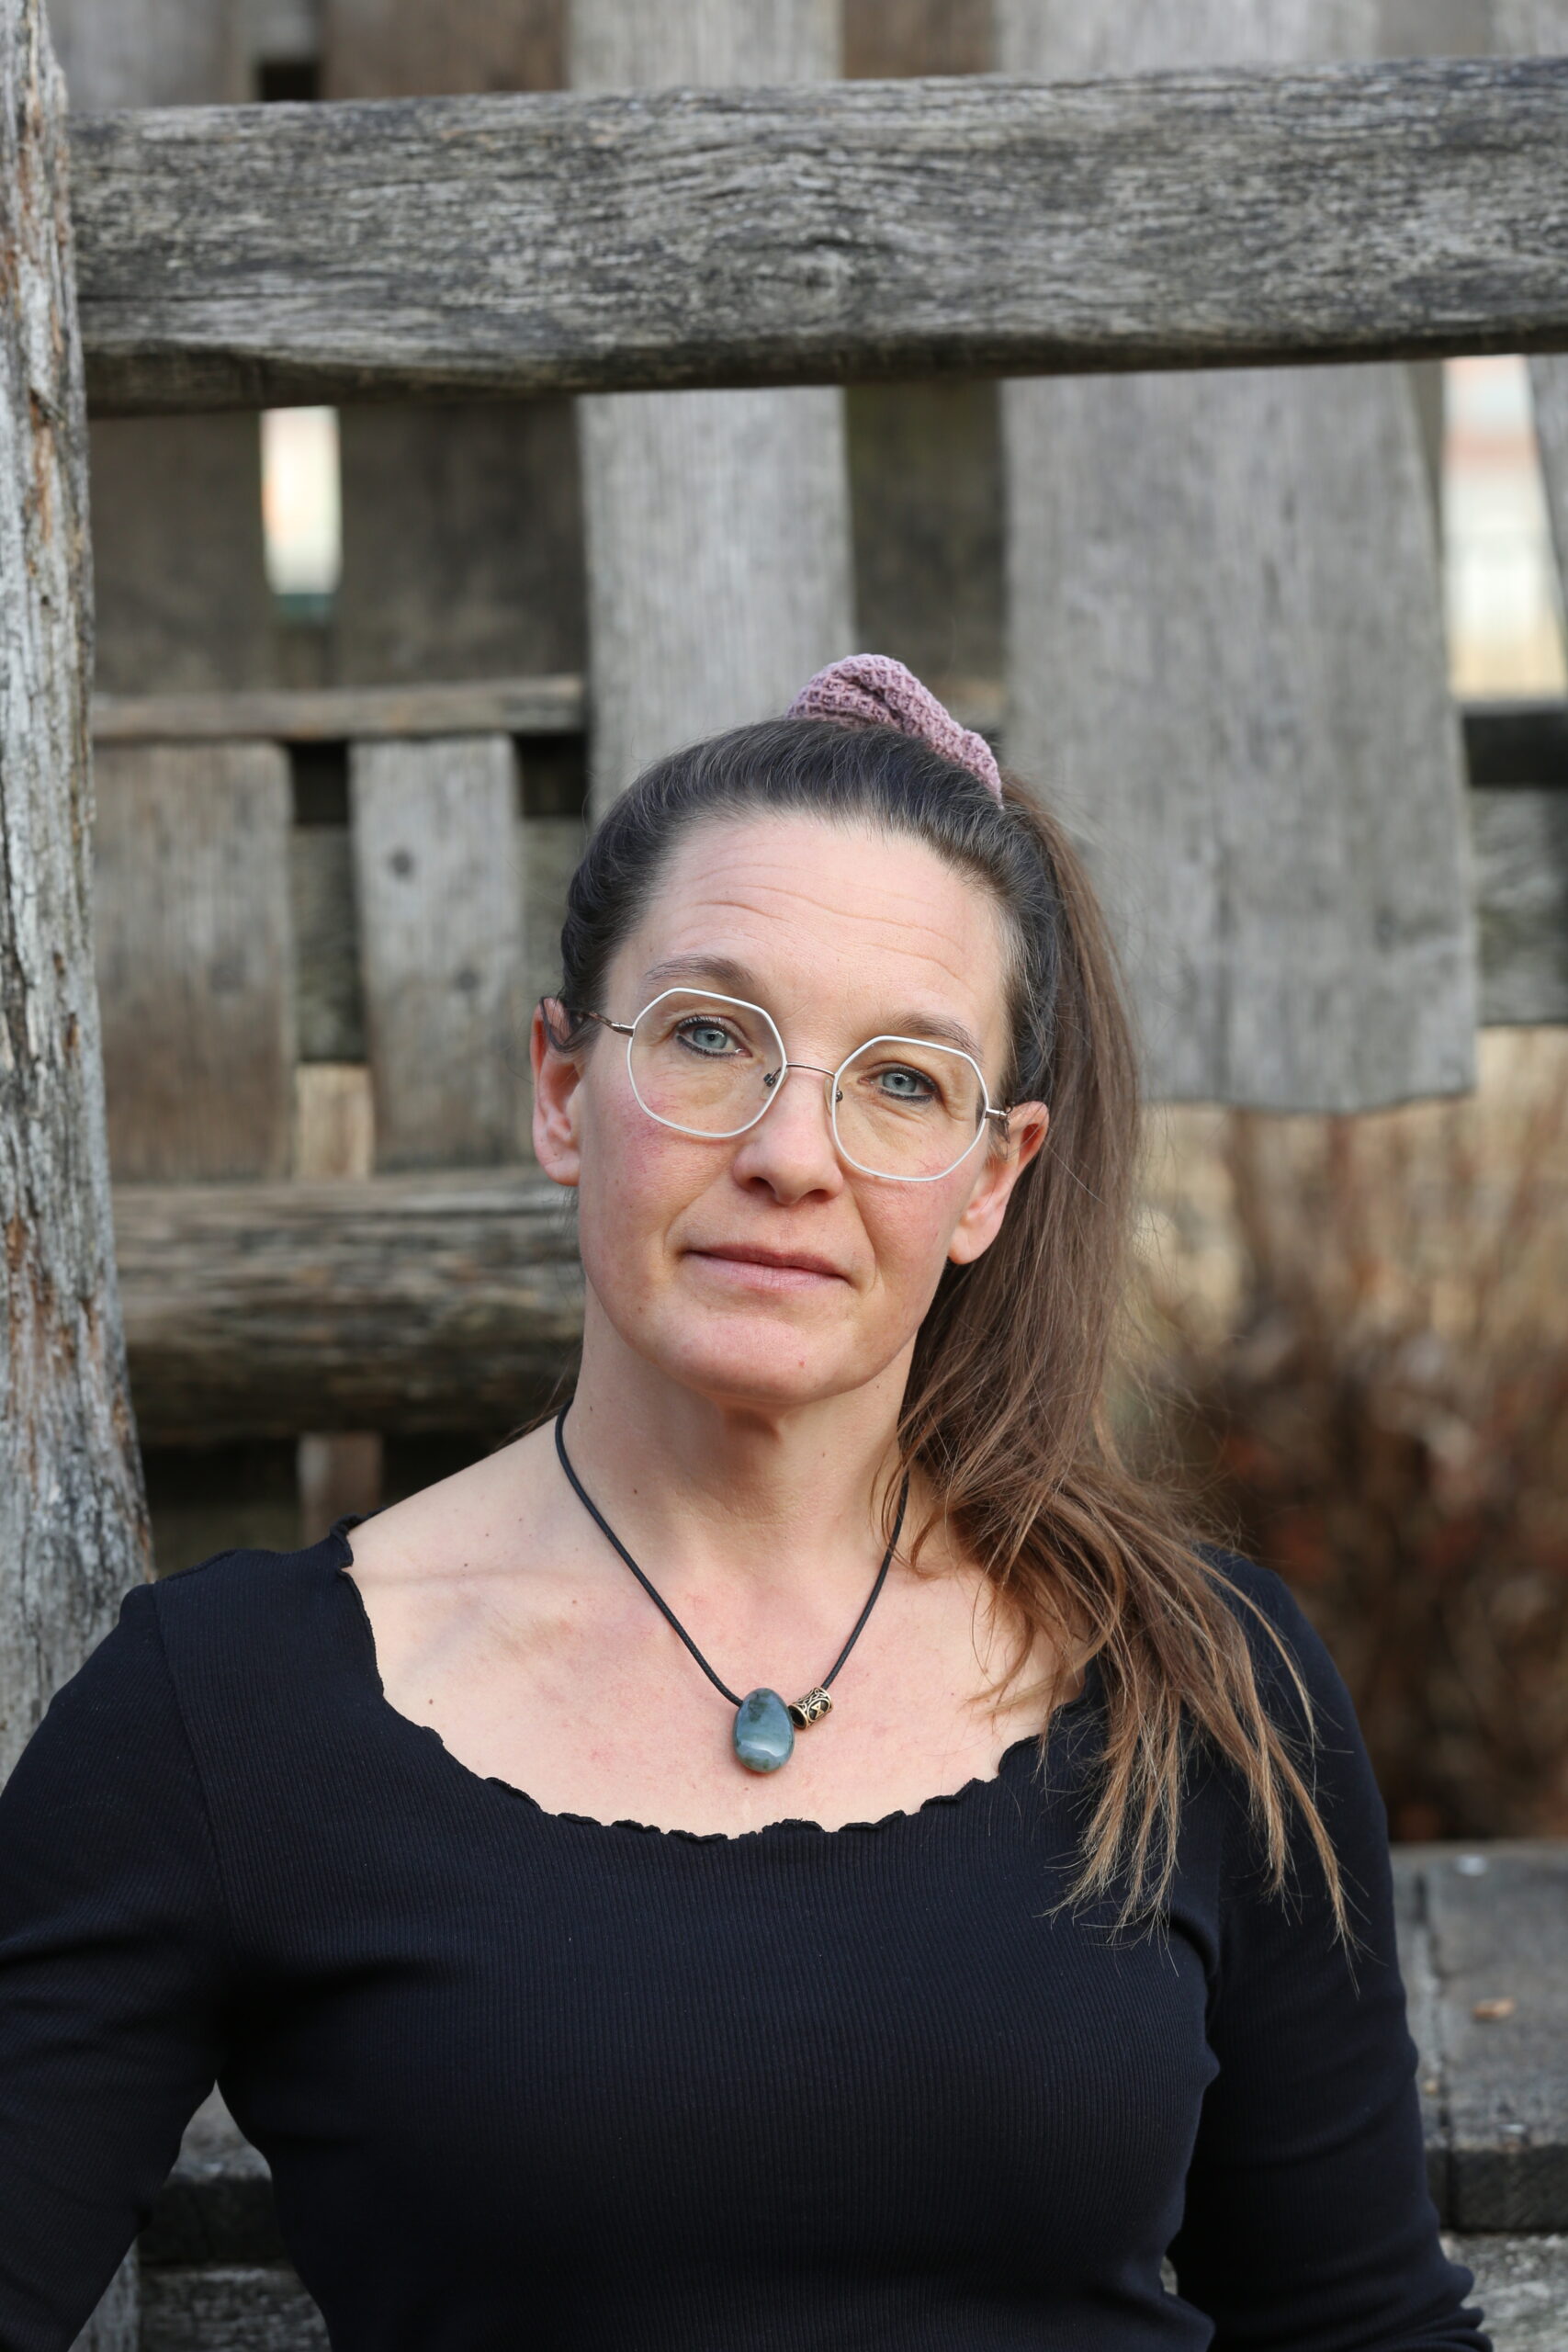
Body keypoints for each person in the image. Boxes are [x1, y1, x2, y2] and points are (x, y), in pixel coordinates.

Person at [0, 656, 1489, 2349]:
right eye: (712, 1038)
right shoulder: (227, 1713)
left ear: (993, 1181)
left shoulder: (1200, 1683)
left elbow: (1362, 2327)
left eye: (903, 1080)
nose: (793, 1153)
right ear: (563, 1088)